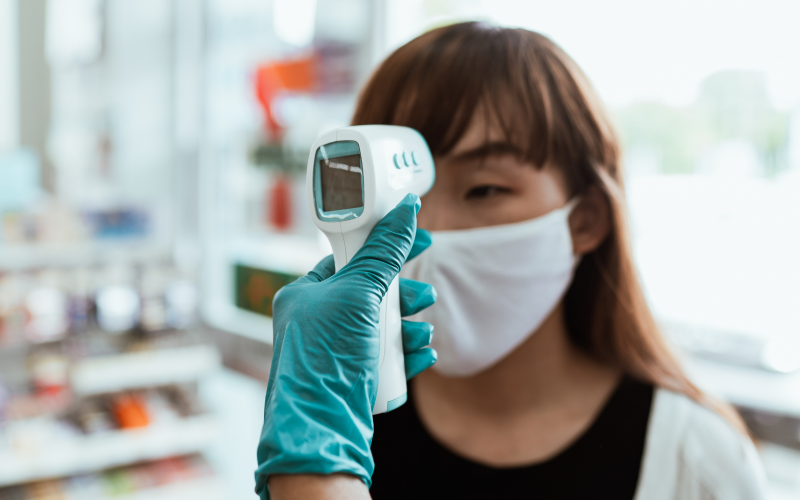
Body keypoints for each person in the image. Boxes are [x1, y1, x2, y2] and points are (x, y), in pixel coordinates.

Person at [255, 22, 765, 500]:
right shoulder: (348, 422)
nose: (429, 229)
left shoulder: (693, 461)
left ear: (585, 219)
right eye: (400, 194)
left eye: (485, 189)